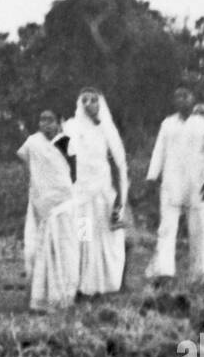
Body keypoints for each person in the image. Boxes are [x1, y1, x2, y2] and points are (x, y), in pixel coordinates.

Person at [146, 87, 204, 281]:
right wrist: (152, 177)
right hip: (172, 183)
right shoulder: (167, 124)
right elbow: (159, 151)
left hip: (197, 183)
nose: (182, 100)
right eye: (178, 96)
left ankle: (200, 273)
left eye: (185, 96)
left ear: (193, 99)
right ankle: (165, 272)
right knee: (167, 229)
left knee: (199, 230)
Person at [64, 88, 128, 295]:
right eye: (85, 100)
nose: (89, 104)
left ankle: (105, 284)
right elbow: (65, 159)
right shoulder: (71, 128)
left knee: (107, 239)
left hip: (103, 192)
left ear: (100, 104)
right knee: (84, 238)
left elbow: (120, 164)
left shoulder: (108, 129)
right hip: (81, 194)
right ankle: (83, 286)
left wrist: (121, 197)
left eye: (93, 100)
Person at [15, 108, 80, 311]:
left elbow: (74, 173)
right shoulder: (33, 142)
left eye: (50, 120)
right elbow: (29, 166)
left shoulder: (66, 142)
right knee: (35, 249)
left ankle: (64, 294)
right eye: (42, 120)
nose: (46, 124)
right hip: (39, 204)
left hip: (64, 204)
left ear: (59, 122)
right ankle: (40, 295)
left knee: (65, 247)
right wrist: (37, 190)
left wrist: (61, 193)